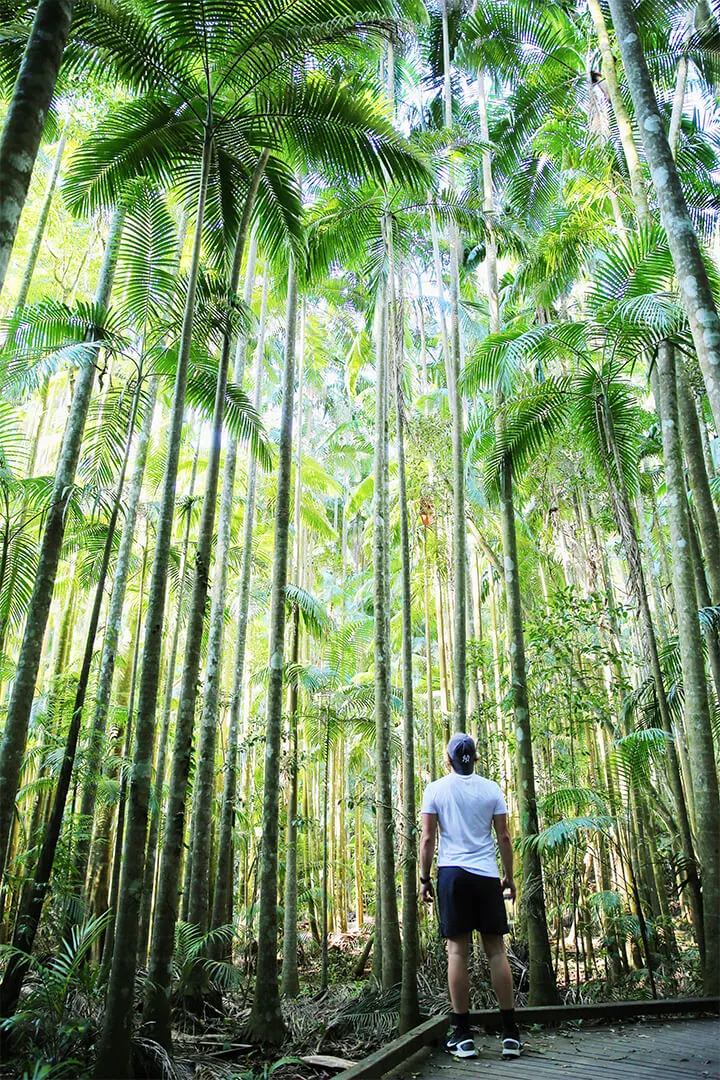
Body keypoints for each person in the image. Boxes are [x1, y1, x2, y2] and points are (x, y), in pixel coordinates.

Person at [419, 732, 522, 1060]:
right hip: (486, 875)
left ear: (448, 759)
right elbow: (504, 836)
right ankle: (510, 1034)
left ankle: (462, 1035)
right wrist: (508, 876)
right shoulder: (491, 789)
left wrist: (424, 879)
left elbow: (427, 839)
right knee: (495, 951)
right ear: (475, 758)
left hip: (452, 875)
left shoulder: (436, 789)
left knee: (457, 953)